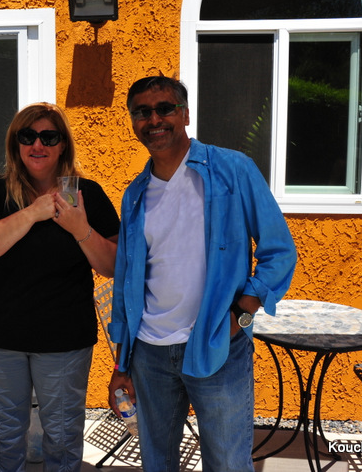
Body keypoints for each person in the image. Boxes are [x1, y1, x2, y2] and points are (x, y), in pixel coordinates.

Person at [108, 76, 297, 472]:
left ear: (186, 114)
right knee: (157, 463)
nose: (154, 120)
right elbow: (126, 282)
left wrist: (240, 316)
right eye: (142, 112)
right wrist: (121, 365)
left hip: (218, 345)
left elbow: (279, 252)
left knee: (228, 464)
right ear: (133, 122)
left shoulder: (232, 170)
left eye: (165, 108)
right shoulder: (135, 194)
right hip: (150, 353)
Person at [0, 102, 120, 471]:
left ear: (63, 145)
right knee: (3, 439)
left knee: (62, 439)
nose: (37, 145)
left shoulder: (87, 194)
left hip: (64, 342)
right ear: (15, 143)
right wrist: (33, 212)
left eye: (49, 137)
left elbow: (113, 265)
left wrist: (80, 228)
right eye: (27, 136)